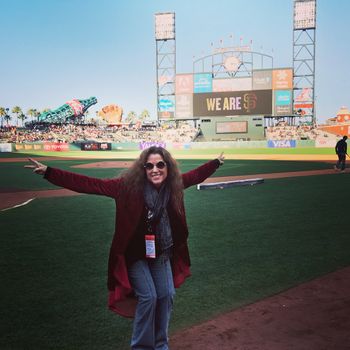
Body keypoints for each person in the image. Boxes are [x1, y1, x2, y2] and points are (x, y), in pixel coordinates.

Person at [25, 147, 224, 350]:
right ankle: (141, 347)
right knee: (149, 297)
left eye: (160, 164)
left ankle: (161, 345)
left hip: (161, 253)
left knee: (166, 295)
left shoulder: (174, 186)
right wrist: (49, 172)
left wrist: (215, 162)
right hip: (134, 256)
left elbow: (195, 175)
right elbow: (91, 184)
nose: (155, 169)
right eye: (149, 166)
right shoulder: (126, 187)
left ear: (168, 167)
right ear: (143, 169)